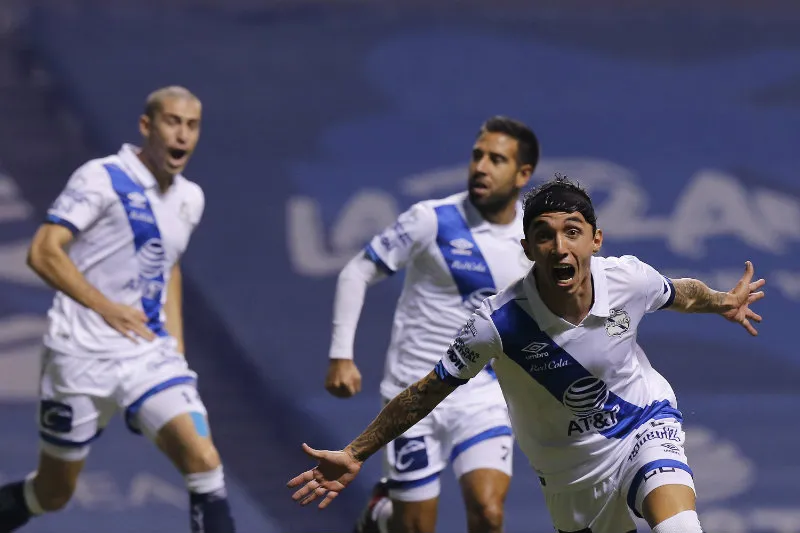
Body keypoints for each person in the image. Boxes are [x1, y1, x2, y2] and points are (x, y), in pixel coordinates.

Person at [288, 174, 766, 533]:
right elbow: (424, 393)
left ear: (595, 240)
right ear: (528, 247)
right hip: (569, 471)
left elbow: (679, 292)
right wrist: (355, 453)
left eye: (573, 232)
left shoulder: (628, 279)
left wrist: (724, 301)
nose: (560, 247)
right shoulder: (496, 324)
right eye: (544, 234)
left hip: (645, 424)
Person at [0, 86, 236, 533]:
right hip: (79, 356)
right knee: (53, 493)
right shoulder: (102, 178)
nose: (182, 135)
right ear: (147, 127)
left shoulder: (190, 198)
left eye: (191, 125)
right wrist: (105, 307)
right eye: (172, 122)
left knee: (204, 461)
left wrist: (175, 348)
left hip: (147, 356)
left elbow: (170, 267)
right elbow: (43, 251)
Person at [324, 116, 539, 533]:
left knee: (489, 513)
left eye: (497, 159)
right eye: (478, 155)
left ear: (522, 174)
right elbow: (356, 271)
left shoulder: (532, 239)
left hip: (482, 395)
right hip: (412, 396)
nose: (481, 166)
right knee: (414, 528)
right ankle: (382, 516)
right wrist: (340, 355)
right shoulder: (431, 219)